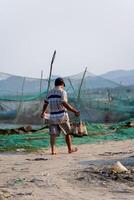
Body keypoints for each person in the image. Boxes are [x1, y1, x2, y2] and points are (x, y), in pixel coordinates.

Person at [41, 77, 80, 155]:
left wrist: (43, 112)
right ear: (62, 84)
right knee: (67, 133)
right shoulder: (62, 92)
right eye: (63, 85)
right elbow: (64, 103)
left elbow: (45, 103)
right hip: (62, 116)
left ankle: (53, 151)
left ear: (55, 84)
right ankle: (69, 149)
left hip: (52, 117)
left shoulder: (49, 92)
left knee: (53, 134)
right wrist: (75, 111)